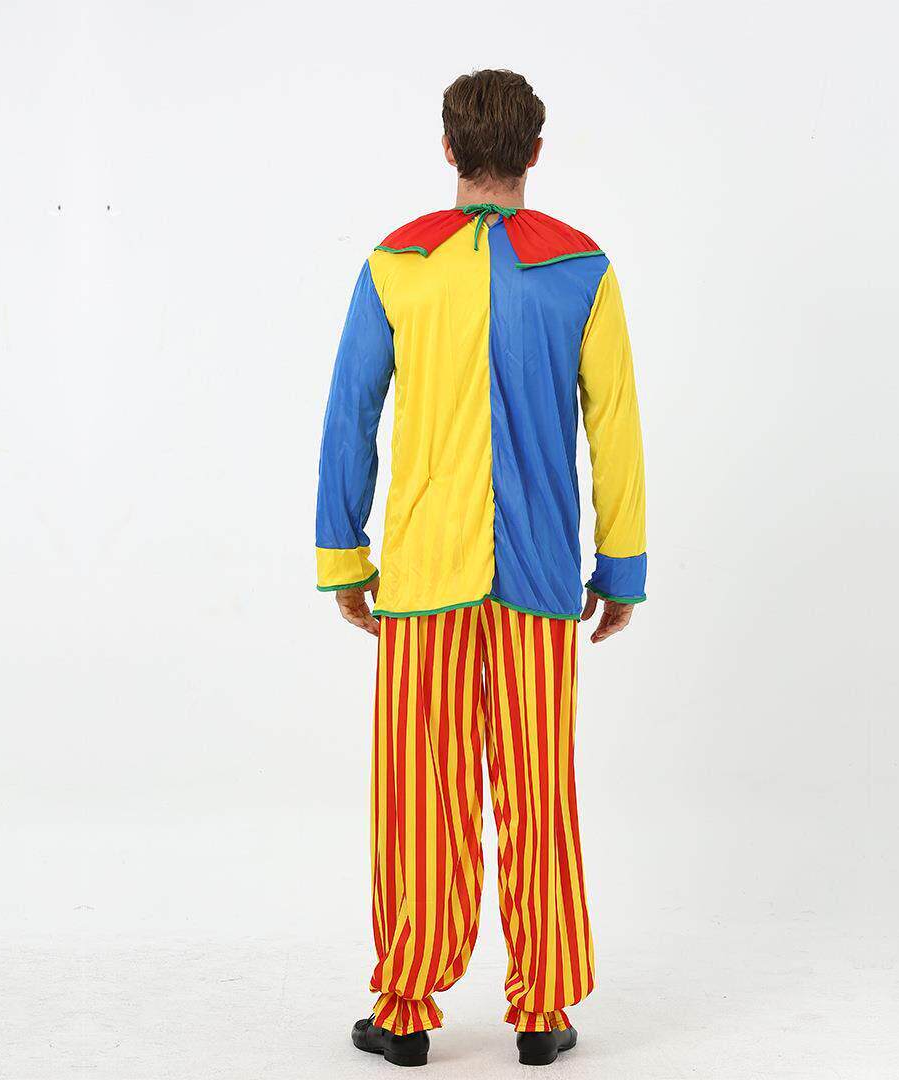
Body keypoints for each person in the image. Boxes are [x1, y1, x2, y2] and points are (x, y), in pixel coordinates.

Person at [316, 68, 646, 1068]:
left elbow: (350, 418)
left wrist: (346, 557)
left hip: (424, 579)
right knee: (540, 793)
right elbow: (615, 431)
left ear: (450, 150)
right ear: (534, 153)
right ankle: (542, 1011)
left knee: (420, 799)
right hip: (540, 582)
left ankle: (406, 1010)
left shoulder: (396, 264)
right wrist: (619, 569)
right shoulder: (582, 268)